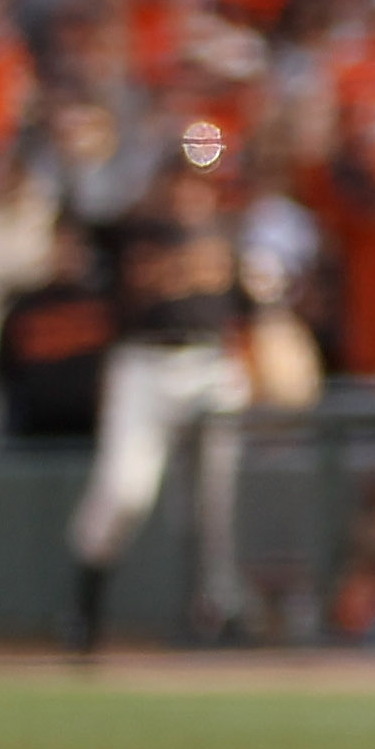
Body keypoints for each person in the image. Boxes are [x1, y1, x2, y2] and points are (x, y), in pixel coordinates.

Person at [64, 163, 252, 653]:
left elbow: (255, 308)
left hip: (211, 364)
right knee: (126, 492)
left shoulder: (230, 236)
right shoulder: (130, 231)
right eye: (179, 182)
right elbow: (77, 216)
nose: (187, 195)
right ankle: (87, 605)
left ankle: (219, 610)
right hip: (143, 364)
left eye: (198, 184)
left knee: (215, 501)